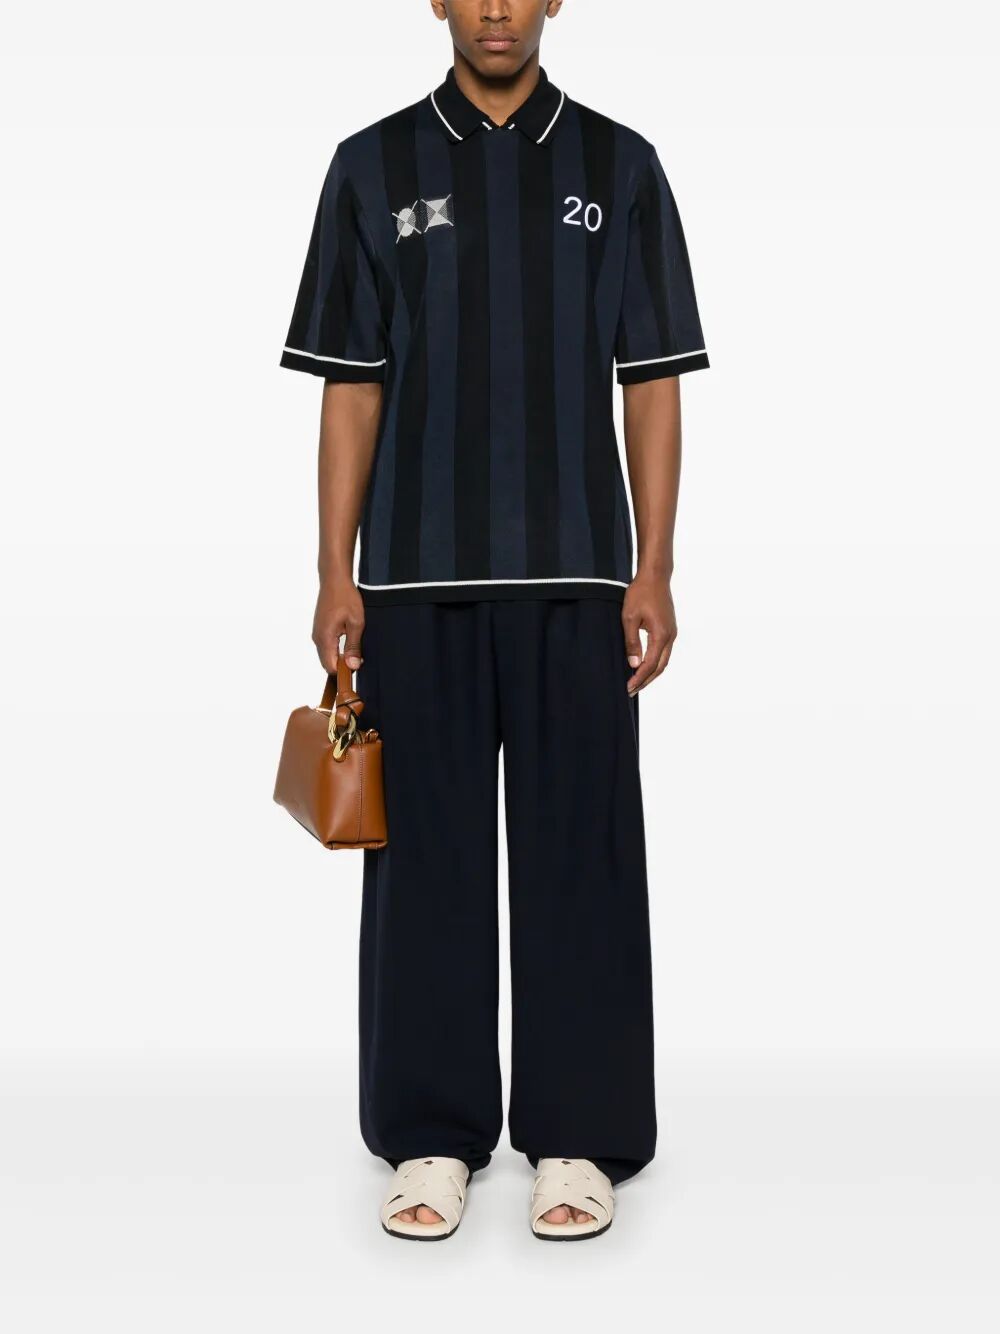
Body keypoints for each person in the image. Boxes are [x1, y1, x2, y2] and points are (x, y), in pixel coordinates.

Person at [279, 0, 708, 1241]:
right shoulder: (370, 167)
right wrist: (334, 571)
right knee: (424, 862)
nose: (497, 8)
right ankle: (430, 1134)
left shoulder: (622, 166)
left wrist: (654, 567)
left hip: (580, 577)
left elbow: (652, 378)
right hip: (413, 579)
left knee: (584, 854)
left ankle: (581, 1133)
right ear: (437, 0)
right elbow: (351, 384)